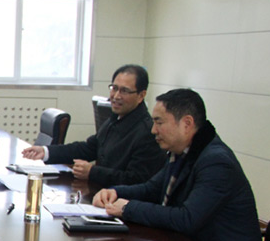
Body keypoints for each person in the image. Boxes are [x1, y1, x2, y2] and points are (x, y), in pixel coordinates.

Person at [93, 88, 264, 241]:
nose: (153, 130)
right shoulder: (183, 152)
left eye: (159, 122)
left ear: (186, 124)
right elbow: (151, 189)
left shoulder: (216, 162)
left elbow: (187, 219)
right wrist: (114, 192)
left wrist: (128, 208)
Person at [21, 64, 165, 186]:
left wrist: (92, 172)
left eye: (124, 91)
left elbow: (136, 180)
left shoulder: (148, 132)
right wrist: (46, 151)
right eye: (114, 88)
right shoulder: (115, 118)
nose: (116, 96)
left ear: (141, 95)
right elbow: (89, 148)